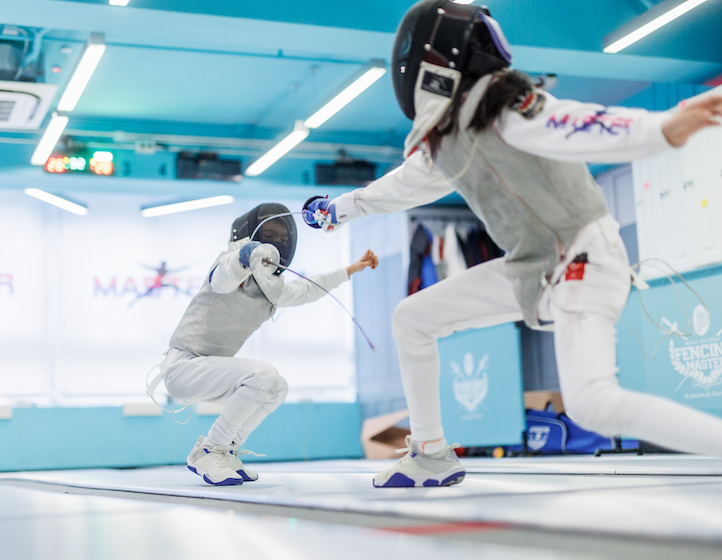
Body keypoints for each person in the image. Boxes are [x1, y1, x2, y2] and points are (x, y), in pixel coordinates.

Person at [303, 0, 722, 488]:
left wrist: (660, 128)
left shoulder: (500, 102)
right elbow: (402, 186)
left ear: (434, 61)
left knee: (594, 405)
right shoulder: (451, 133)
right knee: (412, 318)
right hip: (532, 269)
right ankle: (431, 452)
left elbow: (570, 124)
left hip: (582, 257)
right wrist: (339, 210)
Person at [156, 202, 378, 486]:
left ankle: (228, 449)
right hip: (182, 367)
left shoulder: (272, 288)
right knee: (264, 376)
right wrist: (244, 257)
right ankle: (211, 448)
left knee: (276, 388)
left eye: (281, 235)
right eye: (270, 233)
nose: (277, 240)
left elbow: (309, 289)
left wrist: (350, 269)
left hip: (207, 371)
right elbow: (224, 277)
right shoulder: (229, 263)